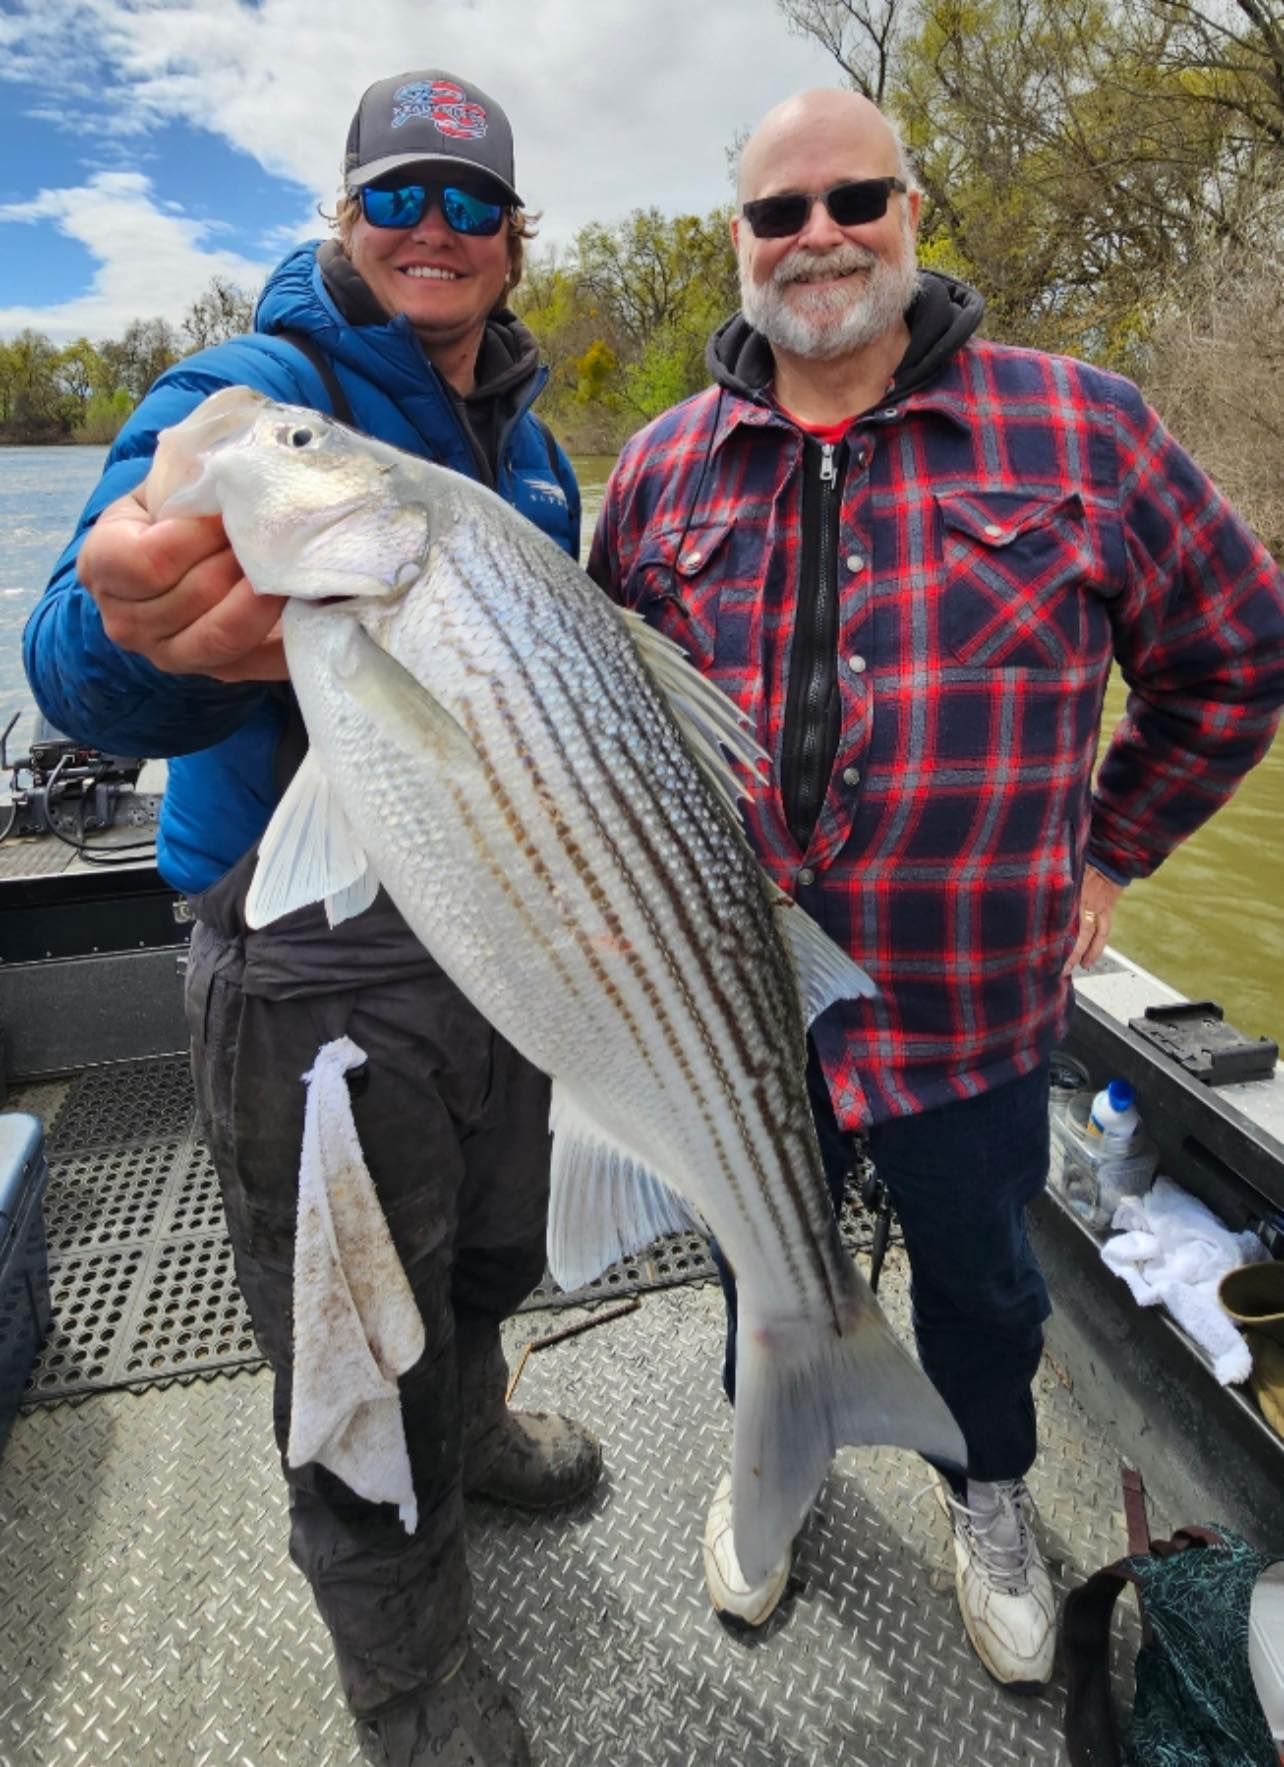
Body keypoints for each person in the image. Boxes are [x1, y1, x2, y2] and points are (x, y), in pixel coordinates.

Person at [589, 86, 1284, 1686]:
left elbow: (1238, 659)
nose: (818, 234)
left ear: (914, 213)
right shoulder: (660, 471)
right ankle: (783, 1454)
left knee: (984, 1287)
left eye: (855, 200)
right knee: (753, 1259)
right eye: (779, 212)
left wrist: (1114, 844)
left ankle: (987, 1491)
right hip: (735, 1006)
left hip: (967, 1005)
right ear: (740, 245)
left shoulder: (1083, 427)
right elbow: (607, 734)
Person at [25, 68, 597, 1767]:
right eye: (399, 196)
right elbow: (79, 636)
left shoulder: (541, 446)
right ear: (345, 216)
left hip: (497, 939)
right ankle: (408, 1674)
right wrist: (136, 637)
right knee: (352, 1330)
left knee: (490, 1250)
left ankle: (477, 1424)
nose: (434, 227)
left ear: (510, 241)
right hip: (310, 965)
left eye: (469, 202)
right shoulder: (258, 392)